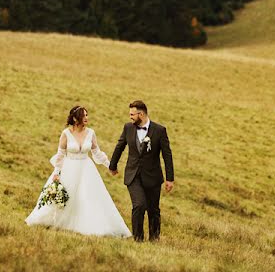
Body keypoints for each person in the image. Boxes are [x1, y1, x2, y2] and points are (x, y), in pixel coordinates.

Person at [25, 105, 131, 238]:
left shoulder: (91, 132)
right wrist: (57, 174)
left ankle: (90, 224)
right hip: (69, 168)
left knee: (88, 196)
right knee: (66, 196)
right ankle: (55, 221)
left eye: (87, 115)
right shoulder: (66, 134)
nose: (87, 118)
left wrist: (110, 165)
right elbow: (60, 155)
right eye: (84, 115)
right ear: (75, 118)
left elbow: (96, 152)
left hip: (86, 169)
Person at [108, 100, 174, 242]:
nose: (130, 117)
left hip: (153, 176)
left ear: (141, 114)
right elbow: (120, 146)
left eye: (132, 114)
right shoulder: (128, 128)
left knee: (153, 210)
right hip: (133, 175)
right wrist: (112, 166)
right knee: (139, 205)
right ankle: (138, 239)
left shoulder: (159, 130)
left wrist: (170, 178)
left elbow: (167, 155)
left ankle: (154, 239)